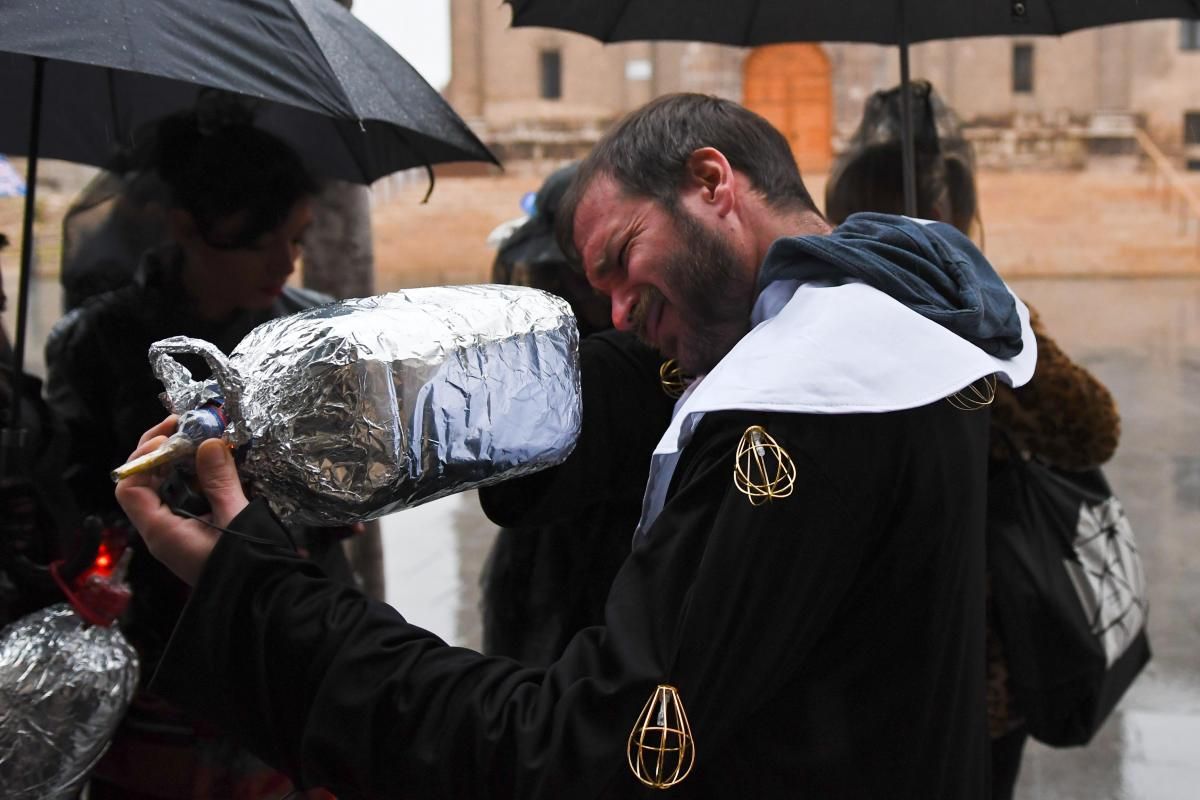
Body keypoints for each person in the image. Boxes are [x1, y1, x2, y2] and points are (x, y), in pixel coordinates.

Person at [117, 93, 1038, 798]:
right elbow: (645, 385)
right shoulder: (907, 307)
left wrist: (265, 594)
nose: (620, 312)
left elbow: (575, 750)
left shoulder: (785, 421)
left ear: (715, 184)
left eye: (624, 258)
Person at [824, 80, 1121, 799]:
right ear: (945, 211)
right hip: (963, 647)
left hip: (845, 651)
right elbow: (1090, 428)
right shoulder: (982, 315)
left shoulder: (809, 313)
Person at [44, 102, 347, 800]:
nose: (285, 260)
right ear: (187, 227)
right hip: (155, 655)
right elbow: (76, 502)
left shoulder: (310, 332)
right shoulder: (99, 343)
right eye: (260, 239)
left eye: (296, 237)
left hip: (285, 640)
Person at [478, 163, 677, 664]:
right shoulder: (553, 350)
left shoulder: (664, 350)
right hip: (553, 545)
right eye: (573, 274)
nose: (588, 289)